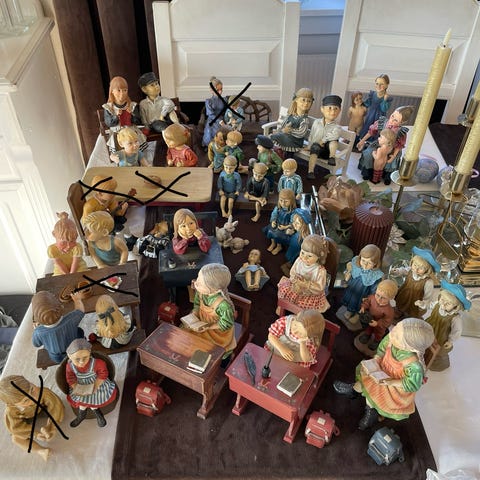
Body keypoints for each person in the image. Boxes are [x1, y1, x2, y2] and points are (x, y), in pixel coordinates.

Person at [333, 318, 435, 430]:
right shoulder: (393, 338)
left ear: (410, 347)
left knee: (374, 395)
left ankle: (371, 412)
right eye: (396, 328)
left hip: (394, 388)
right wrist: (377, 359)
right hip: (382, 369)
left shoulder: (413, 364)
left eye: (397, 336)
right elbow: (382, 348)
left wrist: (392, 382)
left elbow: (412, 385)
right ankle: (353, 390)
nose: (392, 333)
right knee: (366, 378)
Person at [0, 375, 64, 461]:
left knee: (57, 412)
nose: (34, 397)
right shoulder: (11, 411)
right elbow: (16, 428)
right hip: (25, 418)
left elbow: (56, 406)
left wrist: (51, 426)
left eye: (32, 389)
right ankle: (40, 450)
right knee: (16, 439)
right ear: (12, 405)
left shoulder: (43, 392)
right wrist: (35, 434)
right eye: (26, 400)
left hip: (42, 409)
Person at [65, 338, 117, 428]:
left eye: (85, 358)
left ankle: (97, 413)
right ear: (69, 356)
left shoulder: (98, 363)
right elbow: (70, 378)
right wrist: (76, 387)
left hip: (97, 384)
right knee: (81, 399)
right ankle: (81, 415)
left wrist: (95, 386)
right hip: (80, 385)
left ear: (89, 353)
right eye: (77, 359)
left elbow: (103, 374)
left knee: (95, 397)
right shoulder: (70, 366)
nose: (81, 362)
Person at [189, 263, 236, 361]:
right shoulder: (201, 292)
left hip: (216, 332)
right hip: (201, 323)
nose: (196, 283)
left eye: (200, 283)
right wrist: (194, 313)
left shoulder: (223, 305)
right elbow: (197, 304)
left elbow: (226, 324)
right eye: (198, 278)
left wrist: (208, 327)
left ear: (215, 291)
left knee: (210, 351)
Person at [357, 105, 414, 184]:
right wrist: (362, 141)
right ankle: (367, 171)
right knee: (368, 153)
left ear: (402, 122)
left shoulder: (400, 131)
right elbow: (371, 132)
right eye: (392, 116)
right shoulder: (382, 122)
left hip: (392, 148)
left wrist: (394, 155)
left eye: (395, 120)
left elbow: (399, 146)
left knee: (391, 161)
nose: (391, 120)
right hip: (379, 144)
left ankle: (387, 176)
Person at [424, 280, 471, 371]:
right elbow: (430, 305)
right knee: (426, 344)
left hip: (441, 336)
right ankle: (425, 357)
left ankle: (437, 363)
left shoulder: (455, 319)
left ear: (456, 306)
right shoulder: (438, 305)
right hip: (430, 328)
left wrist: (450, 341)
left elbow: (456, 331)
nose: (443, 304)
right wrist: (423, 304)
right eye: (442, 299)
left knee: (438, 351)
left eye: (448, 303)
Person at [277, 234, 330, 313]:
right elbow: (292, 272)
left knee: (304, 305)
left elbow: (320, 287)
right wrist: (295, 281)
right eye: (302, 253)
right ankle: (281, 305)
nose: (304, 258)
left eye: (309, 256)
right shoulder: (299, 260)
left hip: (309, 293)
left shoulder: (320, 271)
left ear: (319, 256)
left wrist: (306, 285)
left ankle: (299, 314)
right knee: (283, 290)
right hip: (295, 285)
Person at [32, 290, 85, 363]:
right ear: (60, 306)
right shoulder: (71, 319)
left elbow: (37, 344)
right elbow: (80, 311)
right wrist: (77, 300)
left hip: (57, 357)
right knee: (80, 331)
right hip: (75, 349)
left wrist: (36, 329)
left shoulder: (38, 332)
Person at [339, 244, 383, 330]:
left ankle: (357, 315)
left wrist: (370, 297)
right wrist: (347, 274)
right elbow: (350, 272)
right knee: (350, 299)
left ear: (375, 263)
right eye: (363, 261)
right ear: (360, 258)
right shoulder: (356, 265)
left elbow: (374, 289)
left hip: (363, 294)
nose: (365, 265)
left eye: (369, 263)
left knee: (360, 305)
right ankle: (349, 310)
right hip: (352, 288)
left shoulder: (375, 275)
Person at [102, 75, 147, 154]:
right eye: (118, 90)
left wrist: (132, 115)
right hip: (118, 133)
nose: (122, 93)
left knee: (135, 143)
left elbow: (138, 121)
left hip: (131, 131)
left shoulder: (132, 105)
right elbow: (109, 123)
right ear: (112, 91)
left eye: (125, 90)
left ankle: (137, 156)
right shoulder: (109, 107)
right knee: (120, 149)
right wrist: (116, 117)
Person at [395, 246, 440, 319]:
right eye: (415, 265)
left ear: (427, 270)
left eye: (421, 268)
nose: (416, 269)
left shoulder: (428, 282)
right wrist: (397, 271)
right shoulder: (411, 270)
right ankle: (398, 312)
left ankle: (407, 317)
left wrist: (423, 304)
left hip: (415, 301)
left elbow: (427, 296)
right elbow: (404, 270)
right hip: (404, 294)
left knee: (411, 313)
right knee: (399, 304)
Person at [356, 279, 398, 352]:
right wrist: (363, 307)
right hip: (370, 319)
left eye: (383, 298)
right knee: (368, 328)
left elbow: (387, 321)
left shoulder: (389, 310)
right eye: (377, 295)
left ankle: (377, 341)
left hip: (380, 325)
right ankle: (367, 335)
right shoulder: (372, 297)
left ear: (391, 298)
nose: (379, 299)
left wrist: (377, 323)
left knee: (378, 333)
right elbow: (367, 302)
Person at [306, 94, 343, 179]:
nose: (333, 112)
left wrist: (323, 141)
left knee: (333, 141)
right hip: (316, 150)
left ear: (339, 111)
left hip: (328, 152)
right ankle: (310, 172)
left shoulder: (337, 127)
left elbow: (334, 135)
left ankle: (332, 158)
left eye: (336, 109)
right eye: (329, 108)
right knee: (315, 146)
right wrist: (309, 146)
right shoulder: (316, 122)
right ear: (322, 109)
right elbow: (312, 134)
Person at [270, 87, 314, 153]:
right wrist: (282, 130)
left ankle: (283, 155)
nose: (306, 103)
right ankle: (277, 153)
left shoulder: (304, 120)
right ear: (296, 100)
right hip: (287, 137)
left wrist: (290, 131)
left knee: (277, 137)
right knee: (274, 136)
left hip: (295, 142)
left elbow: (301, 133)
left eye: (309, 101)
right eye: (303, 100)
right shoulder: (291, 115)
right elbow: (283, 124)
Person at [48, 211, 88, 276]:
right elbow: (59, 264)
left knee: (83, 276)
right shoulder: (52, 249)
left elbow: (75, 263)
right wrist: (67, 276)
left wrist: (71, 275)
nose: (68, 246)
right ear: (54, 234)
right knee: (58, 279)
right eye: (63, 243)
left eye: (72, 241)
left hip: (78, 267)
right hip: (61, 270)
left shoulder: (77, 247)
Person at [358, 74, 393, 140]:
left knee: (376, 130)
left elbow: (384, 109)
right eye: (377, 83)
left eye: (381, 84)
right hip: (371, 115)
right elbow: (368, 103)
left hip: (380, 117)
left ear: (387, 85)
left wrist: (384, 100)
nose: (378, 86)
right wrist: (360, 103)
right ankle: (363, 141)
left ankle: (373, 142)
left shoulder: (388, 98)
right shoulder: (373, 94)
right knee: (367, 127)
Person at [263, 188, 296, 255]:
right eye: (281, 200)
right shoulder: (278, 208)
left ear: (292, 201)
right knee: (270, 230)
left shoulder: (293, 211)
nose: (283, 203)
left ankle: (279, 246)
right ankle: (273, 243)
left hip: (285, 227)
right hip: (277, 223)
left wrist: (285, 227)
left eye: (286, 201)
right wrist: (273, 221)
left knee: (277, 235)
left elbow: (293, 222)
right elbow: (274, 215)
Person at [202, 76, 226, 147]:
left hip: (221, 118)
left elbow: (226, 111)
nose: (220, 92)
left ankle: (221, 145)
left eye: (221, 89)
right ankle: (210, 146)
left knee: (224, 131)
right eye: (218, 90)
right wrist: (219, 121)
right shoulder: (209, 101)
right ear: (212, 90)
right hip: (212, 119)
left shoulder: (224, 100)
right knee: (210, 131)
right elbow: (210, 114)